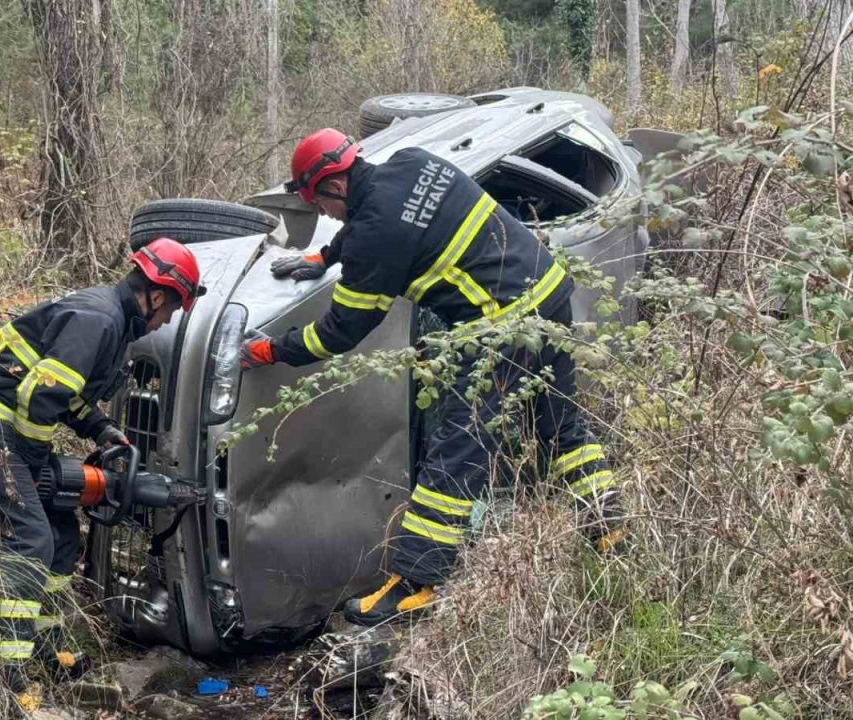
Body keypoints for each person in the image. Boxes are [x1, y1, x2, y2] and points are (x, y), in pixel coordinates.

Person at [240, 129, 625, 627]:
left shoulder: (375, 236)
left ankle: (416, 585)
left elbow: (338, 333)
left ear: (334, 185)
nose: (327, 214)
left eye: (321, 204)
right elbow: (381, 217)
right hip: (548, 293)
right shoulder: (412, 162)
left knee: (458, 449)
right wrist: (326, 256)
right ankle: (609, 526)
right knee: (560, 426)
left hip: (501, 328)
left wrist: (273, 349)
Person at [0, 238, 203, 708]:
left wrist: (102, 429)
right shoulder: (99, 319)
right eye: (171, 311)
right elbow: (40, 397)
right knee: (27, 538)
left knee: (60, 534)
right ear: (157, 296)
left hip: (4, 420)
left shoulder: (113, 323)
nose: (165, 321)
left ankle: (47, 648)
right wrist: (35, 462)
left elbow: (66, 393)